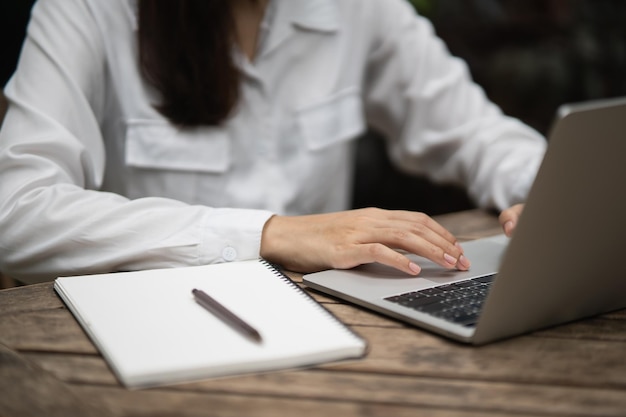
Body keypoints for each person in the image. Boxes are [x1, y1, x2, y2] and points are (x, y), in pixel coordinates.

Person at [0, 0, 546, 284]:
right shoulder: (87, 11)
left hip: (340, 320)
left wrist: (558, 193)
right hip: (166, 321)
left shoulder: (359, 8)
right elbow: (16, 213)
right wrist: (268, 234)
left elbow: (476, 132)